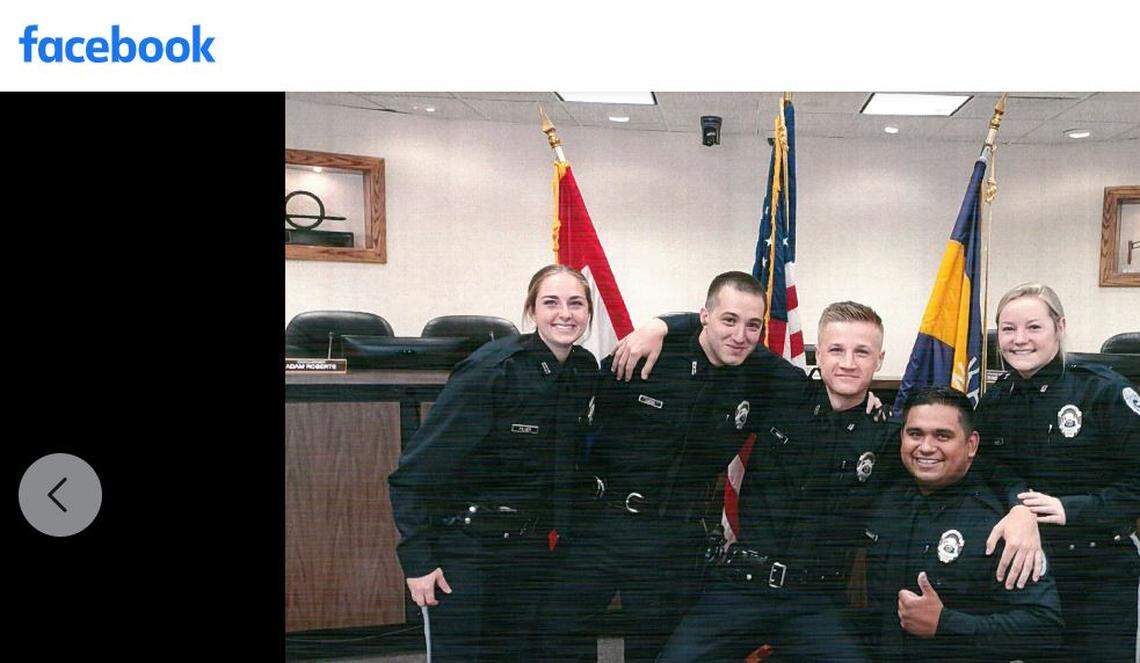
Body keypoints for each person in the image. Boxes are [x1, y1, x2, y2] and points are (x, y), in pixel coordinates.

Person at [538, 271, 786, 662]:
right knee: (556, 640)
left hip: (672, 539)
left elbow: (821, 389)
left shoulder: (760, 374)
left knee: (654, 652)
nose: (740, 335)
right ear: (704, 316)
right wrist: (663, 325)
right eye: (729, 320)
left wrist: (870, 402)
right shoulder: (648, 353)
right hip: (600, 526)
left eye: (753, 325)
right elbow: (574, 423)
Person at [657, 301, 898, 661]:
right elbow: (728, 332)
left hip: (814, 601)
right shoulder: (781, 389)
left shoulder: (889, 435)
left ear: (879, 360)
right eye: (836, 349)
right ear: (818, 354)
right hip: (741, 588)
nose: (848, 362)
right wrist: (661, 326)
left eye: (862, 352)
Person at [386, 264, 597, 662]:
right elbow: (412, 475)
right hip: (469, 549)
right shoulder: (493, 371)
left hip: (531, 551)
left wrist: (661, 327)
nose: (565, 314)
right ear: (532, 310)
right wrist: (417, 563)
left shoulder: (583, 369)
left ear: (588, 312)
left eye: (576, 304)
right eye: (551, 303)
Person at [974, 282, 1140, 660]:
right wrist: (1019, 504)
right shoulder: (996, 400)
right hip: (1027, 568)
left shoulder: (1102, 391)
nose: (1019, 339)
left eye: (1034, 327)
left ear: (1059, 327)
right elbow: (986, 472)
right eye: (1009, 329)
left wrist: (1072, 508)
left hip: (1098, 565)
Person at [865, 386, 1063, 661]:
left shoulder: (1000, 525)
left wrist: (946, 624)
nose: (926, 447)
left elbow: (1045, 628)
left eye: (942, 436)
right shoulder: (885, 502)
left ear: (971, 445)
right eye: (915, 434)